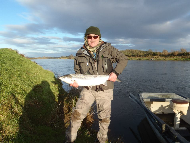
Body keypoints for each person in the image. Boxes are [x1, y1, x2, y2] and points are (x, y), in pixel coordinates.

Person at [65, 26, 128, 143]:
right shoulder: (79, 54)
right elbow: (78, 73)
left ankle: (101, 141)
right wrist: (75, 84)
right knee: (76, 116)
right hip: (88, 90)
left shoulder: (108, 49)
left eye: (95, 36)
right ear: (86, 38)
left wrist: (115, 73)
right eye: (89, 37)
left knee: (104, 119)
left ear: (99, 37)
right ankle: (70, 140)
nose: (92, 39)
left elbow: (123, 59)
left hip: (105, 90)